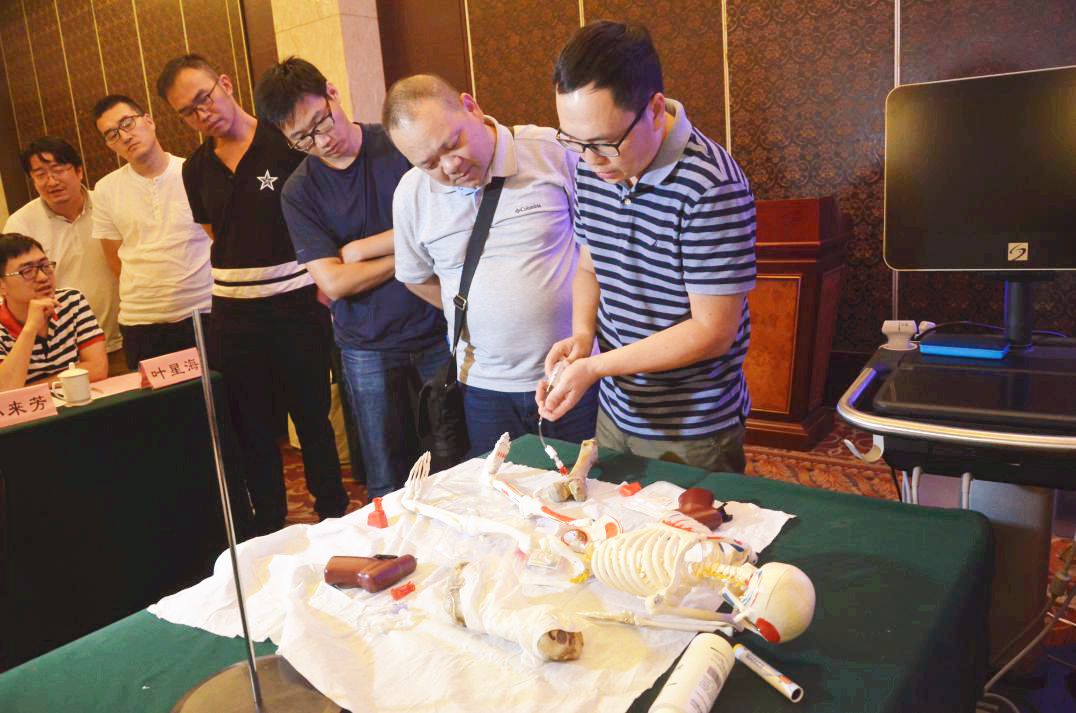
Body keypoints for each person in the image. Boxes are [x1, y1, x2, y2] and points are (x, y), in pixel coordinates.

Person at [537, 21, 757, 473]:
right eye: (575, 142)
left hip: (692, 424)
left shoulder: (711, 185)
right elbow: (589, 267)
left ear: (655, 109)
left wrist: (596, 367)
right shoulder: (592, 167)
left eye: (605, 143)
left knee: (691, 521)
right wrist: (582, 336)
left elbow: (712, 331)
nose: (590, 160)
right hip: (617, 408)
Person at [157, 54, 348, 532]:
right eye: (187, 112)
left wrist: (324, 289)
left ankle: (333, 515)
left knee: (312, 420)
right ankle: (269, 525)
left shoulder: (283, 139)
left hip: (298, 304)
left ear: (224, 83)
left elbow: (324, 212)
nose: (202, 113)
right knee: (254, 429)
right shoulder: (196, 168)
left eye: (204, 98)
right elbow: (215, 232)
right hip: (234, 315)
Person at [254, 57, 449, 498]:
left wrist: (359, 250)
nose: (321, 140)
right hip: (366, 346)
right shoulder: (299, 191)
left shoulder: (397, 144)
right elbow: (334, 284)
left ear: (332, 93)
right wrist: (408, 251)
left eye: (320, 122)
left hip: (437, 328)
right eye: (302, 138)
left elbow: (444, 222)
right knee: (387, 477)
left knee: (455, 459)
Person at [383, 73, 597, 456]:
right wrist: (480, 309)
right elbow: (417, 278)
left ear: (471, 107)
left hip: (572, 374)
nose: (450, 166)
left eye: (453, 143)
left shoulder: (550, 151)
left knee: (585, 484)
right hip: (482, 386)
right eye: (429, 163)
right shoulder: (411, 194)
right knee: (500, 488)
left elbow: (595, 249)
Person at [90, 95, 213, 369]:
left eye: (127, 123)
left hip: (204, 309)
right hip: (141, 321)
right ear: (109, 144)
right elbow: (113, 259)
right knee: (158, 397)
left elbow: (220, 239)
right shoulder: (105, 189)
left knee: (217, 391)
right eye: (112, 134)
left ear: (149, 121)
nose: (124, 136)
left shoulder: (194, 171)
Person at [6, 137, 123, 373]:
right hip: (67, 354)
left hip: (122, 337)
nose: (51, 181)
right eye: (40, 174)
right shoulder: (21, 225)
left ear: (79, 171)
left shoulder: (109, 205)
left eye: (59, 170)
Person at [0, 233, 107, 390]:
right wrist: (30, 328)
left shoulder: (71, 301)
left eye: (45, 266)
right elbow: (5, 390)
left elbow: (97, 368)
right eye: (27, 271)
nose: (43, 277)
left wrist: (28, 390)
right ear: (2, 286)